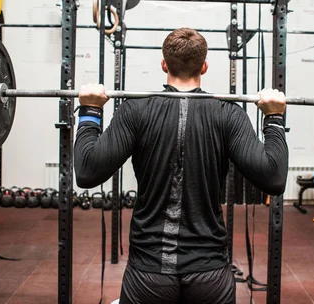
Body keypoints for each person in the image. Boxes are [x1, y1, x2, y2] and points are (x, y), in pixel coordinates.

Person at [75, 27, 289, 304]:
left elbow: (86, 172)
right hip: (209, 272)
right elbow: (274, 179)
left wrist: (90, 111)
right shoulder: (229, 114)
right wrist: (274, 118)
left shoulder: (134, 110)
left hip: (148, 272)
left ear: (163, 64)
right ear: (205, 66)